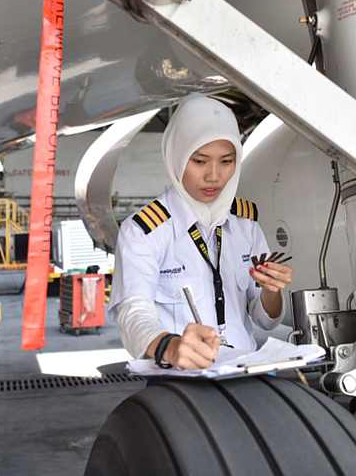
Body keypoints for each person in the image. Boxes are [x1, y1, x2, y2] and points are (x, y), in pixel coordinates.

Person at [109, 94, 294, 369]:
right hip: (179, 378)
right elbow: (133, 311)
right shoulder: (144, 231)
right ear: (177, 157)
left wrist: (271, 291)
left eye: (226, 161)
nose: (214, 176)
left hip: (246, 372)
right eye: (199, 161)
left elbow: (265, 321)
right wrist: (168, 347)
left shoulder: (245, 225)